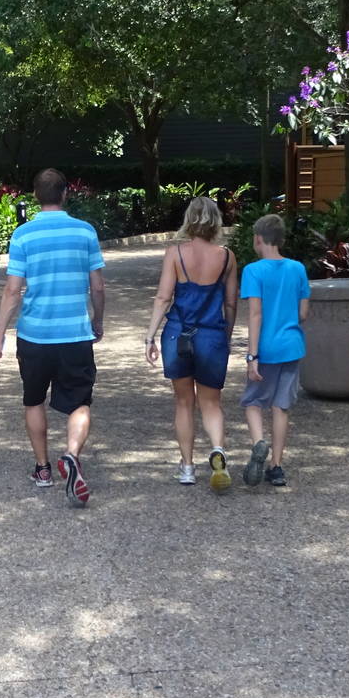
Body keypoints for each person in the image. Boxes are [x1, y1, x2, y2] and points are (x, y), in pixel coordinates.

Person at [0, 168, 106, 507]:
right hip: (74, 334)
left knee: (33, 400)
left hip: (34, 336)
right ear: (65, 193)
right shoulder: (85, 232)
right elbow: (98, 286)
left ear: (36, 196)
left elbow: (12, 291)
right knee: (80, 402)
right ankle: (71, 453)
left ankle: (43, 469)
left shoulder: (23, 235)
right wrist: (98, 321)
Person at [144, 197, 238, 489]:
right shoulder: (227, 257)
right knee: (211, 402)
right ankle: (218, 450)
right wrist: (227, 334)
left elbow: (163, 297)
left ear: (189, 219)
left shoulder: (175, 253)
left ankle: (186, 467)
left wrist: (150, 335)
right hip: (211, 335)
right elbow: (231, 303)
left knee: (184, 401)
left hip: (177, 334)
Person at [239, 213, 310, 487]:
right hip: (292, 345)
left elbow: (255, 314)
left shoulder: (253, 271)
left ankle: (259, 443)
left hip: (266, 348)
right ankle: (276, 467)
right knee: (282, 406)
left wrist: (252, 355)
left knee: (253, 401)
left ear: (258, 239)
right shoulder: (298, 269)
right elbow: (303, 312)